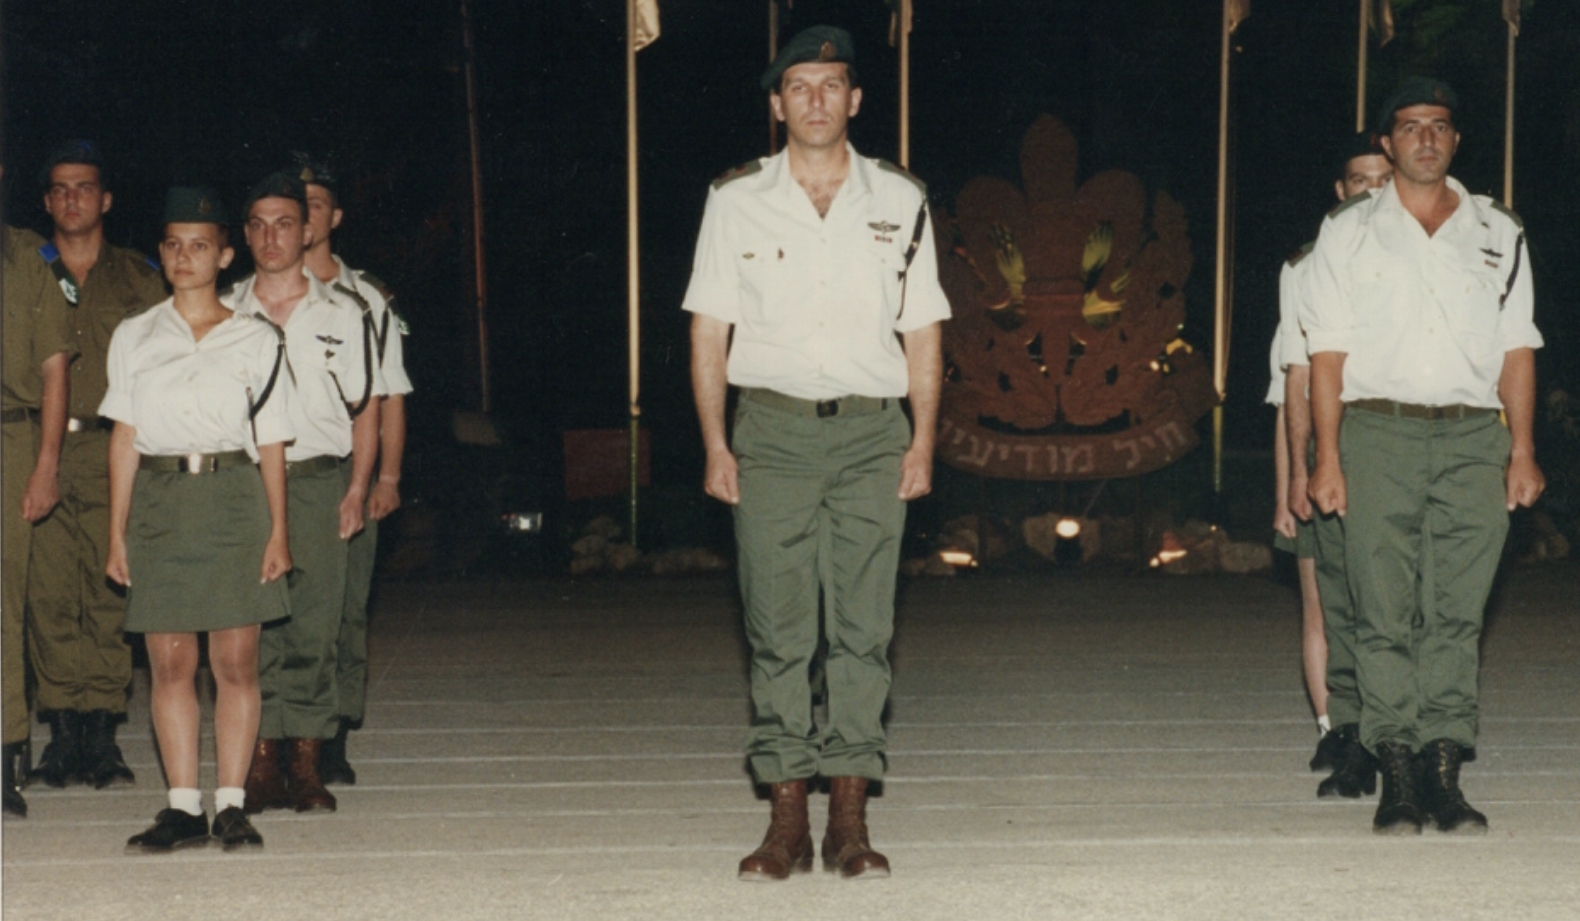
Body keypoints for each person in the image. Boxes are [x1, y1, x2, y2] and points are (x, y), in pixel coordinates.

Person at [683, 25, 949, 880]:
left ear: (856, 99)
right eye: (799, 87)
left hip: (875, 433)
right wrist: (716, 443)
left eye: (831, 85)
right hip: (774, 433)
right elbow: (709, 330)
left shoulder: (901, 199)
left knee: (864, 630)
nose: (816, 101)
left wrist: (923, 440)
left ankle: (849, 818)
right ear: (776, 104)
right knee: (778, 627)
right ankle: (786, 819)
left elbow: (923, 329)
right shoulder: (736, 201)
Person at [1304, 77, 1545, 835]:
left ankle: (1445, 767)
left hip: (1475, 434)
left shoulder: (1497, 231)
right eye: (1410, 126)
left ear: (1455, 140)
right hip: (1379, 432)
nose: (1426, 139)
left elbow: (1517, 347)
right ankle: (1397, 771)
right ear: (1387, 142)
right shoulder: (1347, 232)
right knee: (1382, 607)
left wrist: (1523, 449)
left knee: (1456, 607)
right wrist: (1327, 458)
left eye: (1439, 126)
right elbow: (1327, 357)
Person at [104, 187, 292, 851]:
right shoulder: (134, 334)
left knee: (236, 660)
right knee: (170, 661)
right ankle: (183, 806)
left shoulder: (255, 336)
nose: (185, 257)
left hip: (232, 497)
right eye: (173, 244)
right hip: (159, 501)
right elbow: (124, 436)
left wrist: (279, 531)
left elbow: (271, 440)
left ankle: (233, 803)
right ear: (161, 254)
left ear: (225, 254)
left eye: (200, 245)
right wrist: (116, 533)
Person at [230, 171, 382, 815]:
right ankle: (262, 760)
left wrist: (358, 488)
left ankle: (308, 761)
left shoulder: (344, 313)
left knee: (317, 623)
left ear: (308, 229)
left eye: (285, 223)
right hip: (244, 485)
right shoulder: (224, 310)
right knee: (259, 625)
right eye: (259, 225)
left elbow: (366, 409)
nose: (272, 237)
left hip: (320, 478)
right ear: (244, 235)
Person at [27, 140, 167, 791]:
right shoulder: (28, 270)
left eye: (84, 186)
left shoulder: (140, 277)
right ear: (47, 200)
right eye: (59, 188)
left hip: (117, 446)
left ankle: (103, 732)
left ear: (105, 199)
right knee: (52, 594)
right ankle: (63, 731)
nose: (71, 198)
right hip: (45, 449)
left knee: (112, 591)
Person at [1268, 133, 1391, 796]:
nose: (1371, 192)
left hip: (1399, 441)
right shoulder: (1308, 263)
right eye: (1359, 181)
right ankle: (1345, 731)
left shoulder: (1426, 250)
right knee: (1335, 600)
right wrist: (1294, 472)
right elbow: (1296, 373)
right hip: (1330, 447)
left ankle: (1396, 732)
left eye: (1383, 179)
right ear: (1340, 191)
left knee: (1397, 602)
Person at [293, 154, 413, 785]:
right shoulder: (252, 294)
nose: (303, 215)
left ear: (334, 216)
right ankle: (282, 731)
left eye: (314, 203)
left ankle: (333, 734)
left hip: (348, 470)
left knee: (344, 607)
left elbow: (390, 393)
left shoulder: (367, 298)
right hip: (280, 470)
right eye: (294, 203)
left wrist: (387, 478)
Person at [2, 164, 77, 819]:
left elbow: (56, 369)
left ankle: (3, 755)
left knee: (5, 602)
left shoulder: (32, 258)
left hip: (9, 440)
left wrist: (46, 463)